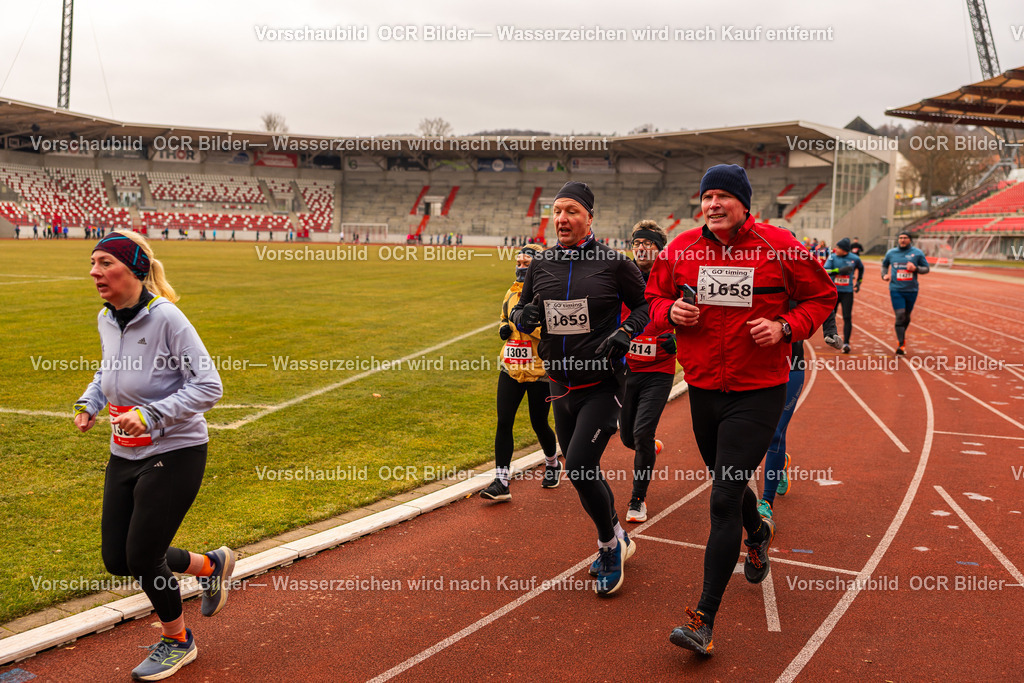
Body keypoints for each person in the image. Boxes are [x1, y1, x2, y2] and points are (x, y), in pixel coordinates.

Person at [646, 164, 835, 656]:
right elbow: (652, 297)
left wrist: (786, 327)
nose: (713, 205)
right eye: (707, 196)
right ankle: (758, 532)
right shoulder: (679, 249)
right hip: (703, 389)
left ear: (744, 204)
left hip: (758, 391)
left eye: (723, 197)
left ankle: (703, 620)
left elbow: (822, 296)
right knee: (728, 487)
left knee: (723, 500)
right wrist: (670, 312)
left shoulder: (778, 246)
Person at [73, 230, 233, 681]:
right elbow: (109, 368)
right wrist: (90, 401)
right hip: (124, 451)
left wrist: (152, 414)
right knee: (119, 559)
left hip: (175, 449)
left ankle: (178, 641)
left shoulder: (168, 318)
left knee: (144, 557)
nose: (94, 272)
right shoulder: (107, 317)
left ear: (134, 269)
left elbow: (209, 386)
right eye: (93, 263)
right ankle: (210, 565)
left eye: (106, 262)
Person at [509, 181, 649, 596]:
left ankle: (608, 545)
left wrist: (627, 331)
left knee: (581, 466)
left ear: (589, 217)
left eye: (571, 210)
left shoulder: (614, 264)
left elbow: (647, 306)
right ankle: (618, 535)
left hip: (602, 385)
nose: (561, 218)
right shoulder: (542, 263)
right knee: (581, 470)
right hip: (560, 384)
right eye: (556, 211)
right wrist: (523, 315)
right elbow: (521, 311)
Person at [481, 244, 559, 501]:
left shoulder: (550, 294)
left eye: (526, 264)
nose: (520, 267)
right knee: (504, 421)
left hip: (539, 371)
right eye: (519, 263)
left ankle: (552, 463)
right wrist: (505, 327)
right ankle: (501, 481)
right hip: (511, 368)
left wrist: (527, 326)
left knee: (539, 422)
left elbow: (552, 333)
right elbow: (505, 317)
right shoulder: (512, 292)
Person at [619, 220, 676, 523]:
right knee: (628, 436)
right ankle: (647, 447)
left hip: (659, 371)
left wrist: (677, 337)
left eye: (648, 244)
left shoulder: (672, 277)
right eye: (637, 243)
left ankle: (637, 499)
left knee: (641, 433)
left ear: (659, 248)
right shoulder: (623, 276)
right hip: (627, 371)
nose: (641, 248)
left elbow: (695, 313)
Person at [881, 230, 930, 355]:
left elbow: (926, 269)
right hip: (896, 289)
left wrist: (916, 269)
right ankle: (901, 343)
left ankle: (901, 333)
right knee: (900, 315)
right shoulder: (891, 253)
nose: (902, 240)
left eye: (905, 238)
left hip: (911, 290)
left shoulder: (917, 253)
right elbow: (884, 265)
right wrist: (884, 275)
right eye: (900, 237)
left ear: (910, 240)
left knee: (907, 317)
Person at [822, 237, 864, 354]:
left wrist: (859, 282)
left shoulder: (854, 258)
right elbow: (825, 271)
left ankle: (846, 343)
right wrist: (839, 270)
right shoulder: (832, 257)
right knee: (830, 315)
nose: (836, 249)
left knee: (847, 317)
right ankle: (831, 336)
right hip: (834, 292)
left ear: (844, 250)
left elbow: (861, 268)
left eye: (838, 247)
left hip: (847, 292)